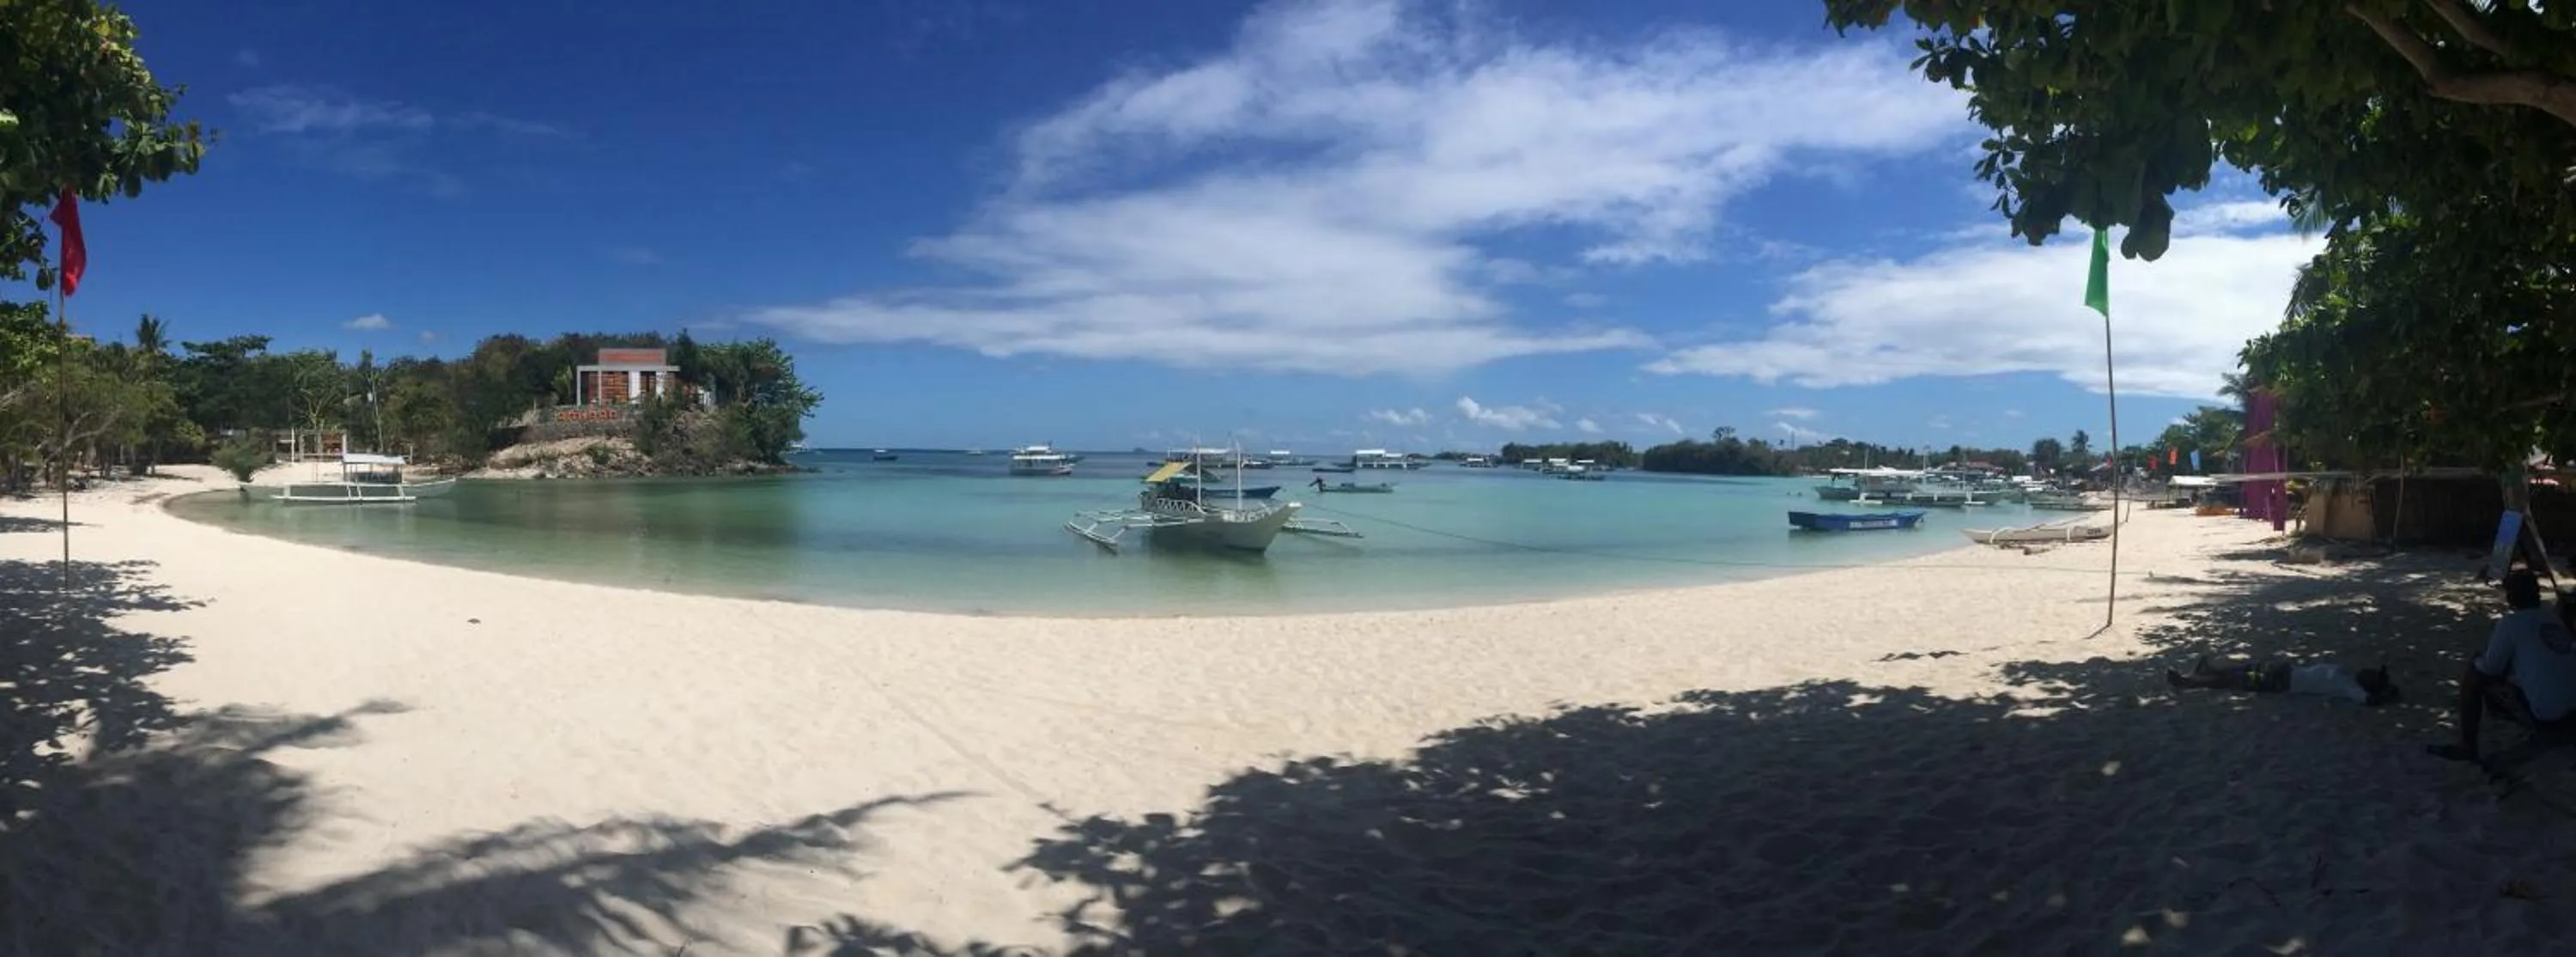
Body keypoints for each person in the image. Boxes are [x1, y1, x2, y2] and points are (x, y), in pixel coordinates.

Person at [2427, 570, 2576, 762]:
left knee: (2474, 675)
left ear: (2511, 597)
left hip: (2552, 717)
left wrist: (2478, 660)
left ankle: (2467, 747)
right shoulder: (2552, 618)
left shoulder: (2511, 623)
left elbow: (2489, 668)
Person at [2166, 655, 2397, 706]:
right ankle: (2208, 669)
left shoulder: (2350, 686)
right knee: (2244, 668)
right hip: (2286, 672)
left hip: (2282, 683)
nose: (2369, 671)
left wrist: (2385, 694)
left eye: (2373, 675)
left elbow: (2368, 700)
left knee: (2236, 679)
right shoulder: (2347, 673)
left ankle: (2189, 683)